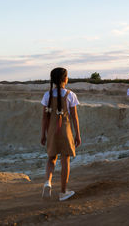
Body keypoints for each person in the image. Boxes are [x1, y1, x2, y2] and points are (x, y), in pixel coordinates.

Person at [40, 67, 82, 201]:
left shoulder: (47, 95)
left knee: (51, 158)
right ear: (65, 79)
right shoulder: (70, 95)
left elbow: (44, 117)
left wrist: (43, 134)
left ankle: (48, 182)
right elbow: (74, 117)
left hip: (52, 131)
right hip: (66, 131)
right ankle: (63, 191)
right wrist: (78, 135)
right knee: (65, 160)